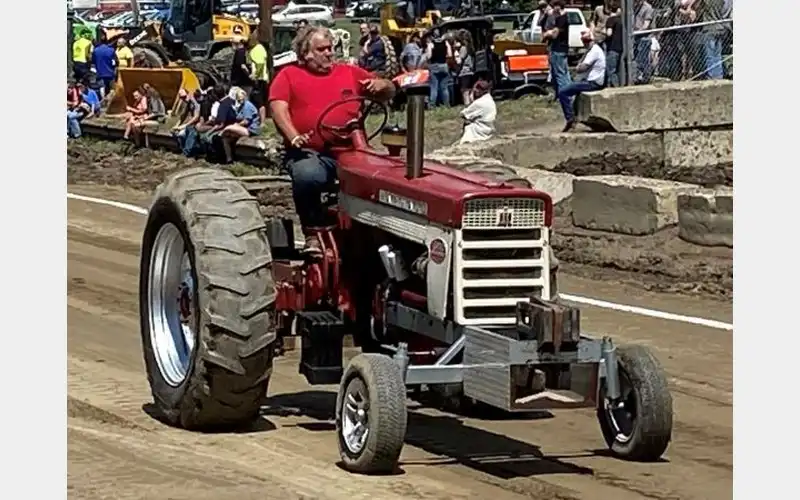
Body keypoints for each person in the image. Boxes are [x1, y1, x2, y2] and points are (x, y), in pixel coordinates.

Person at [268, 26, 395, 254]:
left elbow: (388, 90)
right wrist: (293, 136)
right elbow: (278, 108)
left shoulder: (349, 72)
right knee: (308, 174)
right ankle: (313, 232)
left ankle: (382, 231)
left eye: (330, 48)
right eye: (321, 49)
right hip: (312, 151)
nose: (329, 53)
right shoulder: (288, 75)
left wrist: (383, 85)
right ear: (305, 54)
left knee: (387, 178)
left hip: (352, 150)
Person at [557, 31, 606, 132]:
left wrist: (578, 67)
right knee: (573, 91)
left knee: (563, 92)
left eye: (587, 41)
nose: (586, 43)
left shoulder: (594, 51)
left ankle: (570, 119)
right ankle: (574, 118)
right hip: (589, 80)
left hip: (593, 83)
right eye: (584, 41)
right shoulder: (590, 50)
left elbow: (582, 68)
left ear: (592, 40)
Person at [221, 87, 262, 163]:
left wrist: (237, 124)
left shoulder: (247, 106)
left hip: (250, 130)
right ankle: (229, 159)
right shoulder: (240, 106)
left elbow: (246, 121)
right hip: (243, 128)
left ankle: (221, 133)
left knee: (229, 128)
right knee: (226, 139)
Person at [542, 0, 572, 100]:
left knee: (560, 74)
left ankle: (565, 95)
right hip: (560, 48)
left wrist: (547, 34)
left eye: (555, 6)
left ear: (558, 7)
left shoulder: (561, 19)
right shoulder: (562, 18)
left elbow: (555, 34)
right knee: (562, 72)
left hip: (558, 49)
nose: (553, 9)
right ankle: (565, 94)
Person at [458, 80, 496, 144]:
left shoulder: (479, 103)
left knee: (468, 125)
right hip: (489, 129)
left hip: (478, 131)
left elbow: (463, 114)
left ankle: (466, 141)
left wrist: (471, 100)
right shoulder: (490, 99)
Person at [425, 28, 453, 107]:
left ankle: (432, 105)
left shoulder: (431, 44)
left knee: (434, 87)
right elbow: (450, 54)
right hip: (444, 65)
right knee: (444, 87)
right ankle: (447, 104)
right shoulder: (446, 43)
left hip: (434, 66)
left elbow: (429, 56)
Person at [171, 89, 201, 156]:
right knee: (174, 132)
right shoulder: (186, 103)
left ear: (188, 94)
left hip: (197, 123)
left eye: (184, 97)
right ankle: (182, 148)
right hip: (188, 122)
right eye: (181, 97)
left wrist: (184, 125)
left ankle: (186, 152)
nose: (183, 99)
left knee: (190, 130)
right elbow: (183, 116)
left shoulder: (194, 102)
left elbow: (196, 117)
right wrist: (177, 125)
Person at [247, 33, 269, 123]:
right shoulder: (260, 48)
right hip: (262, 78)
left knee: (259, 101)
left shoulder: (256, 49)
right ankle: (258, 119)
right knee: (258, 100)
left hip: (259, 79)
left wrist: (256, 76)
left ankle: (262, 122)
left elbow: (260, 64)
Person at [632, 0, 654, 84]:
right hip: (635, 36)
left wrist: (637, 31)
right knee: (636, 58)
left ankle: (645, 77)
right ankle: (637, 76)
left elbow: (646, 25)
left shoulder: (647, 8)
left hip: (644, 37)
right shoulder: (634, 7)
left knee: (643, 58)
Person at [91, 33, 118, 98]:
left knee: (102, 88)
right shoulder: (111, 50)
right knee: (111, 90)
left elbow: (93, 61)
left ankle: (103, 102)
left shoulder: (96, 50)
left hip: (100, 73)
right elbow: (116, 62)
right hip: (110, 73)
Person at [604, 2, 623, 87]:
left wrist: (602, 32)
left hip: (612, 48)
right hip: (620, 48)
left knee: (610, 70)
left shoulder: (610, 20)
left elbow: (609, 33)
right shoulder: (620, 20)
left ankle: (615, 87)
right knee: (617, 70)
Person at [455, 30, 475, 105]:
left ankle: (467, 103)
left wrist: (456, 52)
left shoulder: (463, 48)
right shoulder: (470, 47)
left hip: (464, 70)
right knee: (470, 88)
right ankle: (472, 102)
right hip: (470, 69)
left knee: (464, 89)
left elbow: (460, 60)